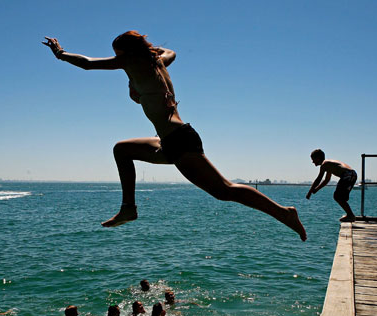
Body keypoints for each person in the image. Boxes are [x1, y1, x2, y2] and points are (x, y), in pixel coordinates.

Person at [42, 32, 306, 241]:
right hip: (171, 139)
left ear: (125, 52)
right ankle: (128, 208)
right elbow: (172, 52)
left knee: (224, 191)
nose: (117, 59)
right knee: (122, 149)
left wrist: (60, 53)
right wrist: (150, 57)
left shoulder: (131, 61)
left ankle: (284, 213)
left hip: (180, 139)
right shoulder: (156, 61)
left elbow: (88, 64)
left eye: (117, 54)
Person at [306, 149, 358, 222]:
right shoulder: (328, 165)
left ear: (318, 158)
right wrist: (316, 189)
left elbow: (318, 179)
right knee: (341, 197)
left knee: (337, 196)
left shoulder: (324, 164)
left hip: (347, 175)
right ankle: (349, 214)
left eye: (313, 159)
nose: (313, 162)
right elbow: (326, 180)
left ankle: (351, 215)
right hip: (353, 174)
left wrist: (309, 193)